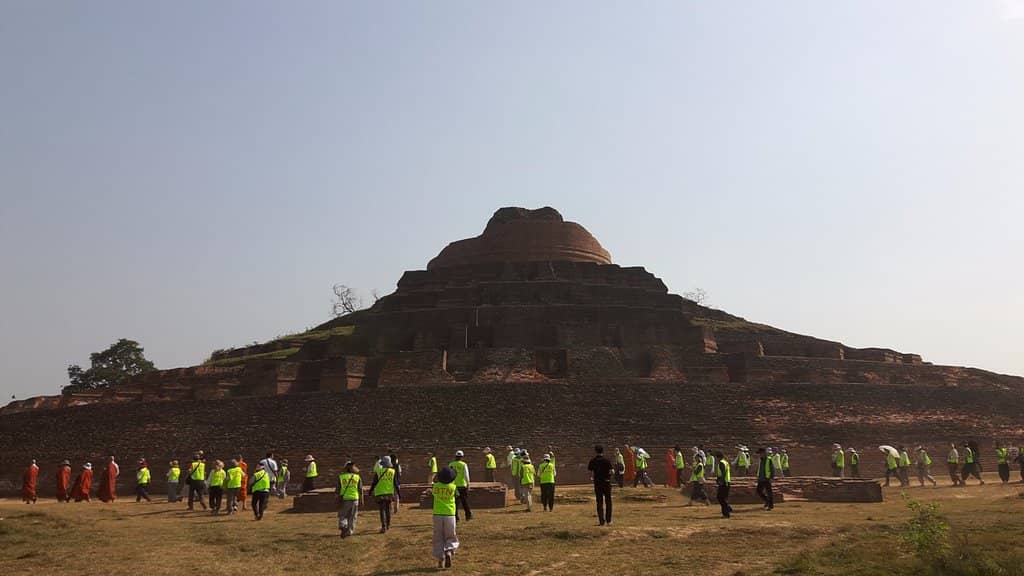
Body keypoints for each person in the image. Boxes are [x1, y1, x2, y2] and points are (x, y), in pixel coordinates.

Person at [432, 466, 459, 569]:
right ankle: (449, 551)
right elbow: (457, 496)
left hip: (437, 514)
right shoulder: (453, 487)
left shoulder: (435, 486)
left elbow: (433, 492)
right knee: (450, 535)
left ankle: (440, 559)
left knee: (438, 537)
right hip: (449, 514)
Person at [588, 445, 613, 526]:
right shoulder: (607, 460)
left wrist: (593, 477)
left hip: (597, 483)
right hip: (606, 482)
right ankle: (609, 520)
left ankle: (601, 521)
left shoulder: (593, 461)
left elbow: (591, 471)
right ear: (603, 451)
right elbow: (612, 471)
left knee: (599, 502)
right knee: (608, 501)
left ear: (595, 451)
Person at [371, 455, 397, 532]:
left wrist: (371, 490)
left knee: (382, 510)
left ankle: (383, 526)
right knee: (388, 509)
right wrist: (398, 493)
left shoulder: (378, 472)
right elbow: (395, 483)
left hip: (380, 493)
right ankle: (388, 525)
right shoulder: (392, 472)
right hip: (389, 493)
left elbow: (374, 482)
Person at [337, 461, 363, 538]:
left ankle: (343, 526)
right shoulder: (357, 477)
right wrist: (362, 500)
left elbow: (337, 490)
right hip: (355, 498)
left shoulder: (341, 477)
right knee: (353, 516)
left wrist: (337, 499)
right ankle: (349, 531)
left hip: (345, 498)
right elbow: (360, 490)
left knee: (342, 515)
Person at [449, 450, 472, 521]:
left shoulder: (451, 464)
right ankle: (468, 515)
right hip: (462, 485)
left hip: (453, 486)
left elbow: (449, 475)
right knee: (464, 501)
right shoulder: (463, 464)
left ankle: (456, 517)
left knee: (455, 502)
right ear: (462, 457)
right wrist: (468, 484)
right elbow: (466, 475)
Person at [715, 450, 733, 518]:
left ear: (718, 457)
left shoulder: (721, 463)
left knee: (720, 498)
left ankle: (726, 513)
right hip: (726, 481)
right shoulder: (725, 462)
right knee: (723, 498)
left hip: (724, 482)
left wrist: (720, 480)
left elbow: (723, 473)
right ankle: (728, 509)